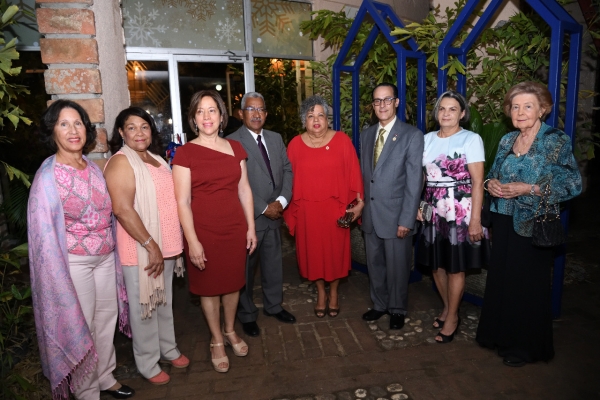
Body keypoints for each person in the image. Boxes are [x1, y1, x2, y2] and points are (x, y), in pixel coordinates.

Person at [27, 100, 134, 399]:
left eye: (78, 123)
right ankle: (86, 391)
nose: (73, 130)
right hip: (75, 263)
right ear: (52, 131)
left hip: (104, 258)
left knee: (105, 320)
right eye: (64, 124)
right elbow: (42, 235)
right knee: (82, 326)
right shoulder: (48, 177)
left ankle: (105, 377)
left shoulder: (93, 168)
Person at [475, 81, 582, 367]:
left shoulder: (555, 140)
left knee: (526, 286)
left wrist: (529, 189)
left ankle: (523, 347)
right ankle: (497, 335)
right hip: (503, 220)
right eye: (515, 107)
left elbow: (573, 184)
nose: (520, 112)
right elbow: (492, 174)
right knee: (501, 279)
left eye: (528, 106)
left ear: (542, 110)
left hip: (533, 222)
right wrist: (491, 184)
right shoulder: (508, 139)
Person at [172, 90, 257, 373]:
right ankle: (217, 339)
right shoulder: (185, 153)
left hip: (234, 229)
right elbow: (182, 201)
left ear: (222, 116)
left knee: (233, 283)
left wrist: (251, 228)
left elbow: (244, 189)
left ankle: (231, 329)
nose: (207, 117)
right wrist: (192, 242)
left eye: (212, 110)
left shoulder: (235, 148)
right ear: (193, 118)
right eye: (201, 111)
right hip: (203, 231)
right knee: (209, 288)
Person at [104, 107, 189, 385]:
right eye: (131, 127)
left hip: (165, 247)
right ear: (121, 132)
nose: (139, 133)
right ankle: (148, 362)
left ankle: (168, 348)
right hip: (141, 248)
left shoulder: (155, 159)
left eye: (144, 126)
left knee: (163, 302)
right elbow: (122, 210)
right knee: (145, 307)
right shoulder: (120, 162)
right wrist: (151, 245)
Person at [416, 91, 490, 343]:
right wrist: (419, 204)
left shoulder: (471, 139)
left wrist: (476, 220)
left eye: (452, 109)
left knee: (455, 265)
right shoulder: (425, 139)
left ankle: (452, 317)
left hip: (460, 206)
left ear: (462, 113)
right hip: (433, 207)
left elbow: (478, 182)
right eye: (442, 109)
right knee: (436, 264)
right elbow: (422, 177)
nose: (446, 113)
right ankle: (448, 307)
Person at [283, 95, 364, 318]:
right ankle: (320, 293)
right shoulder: (295, 145)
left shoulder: (342, 141)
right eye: (310, 116)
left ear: (327, 118)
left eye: (320, 115)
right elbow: (287, 181)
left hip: (336, 211)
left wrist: (358, 203)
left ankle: (335, 293)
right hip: (308, 213)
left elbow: (354, 174)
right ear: (304, 120)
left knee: (335, 255)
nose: (316, 120)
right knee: (313, 256)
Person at [227, 92, 296, 337]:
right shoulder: (231, 142)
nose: (256, 114)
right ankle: (246, 314)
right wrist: (263, 207)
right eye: (250, 109)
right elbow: (235, 181)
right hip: (249, 218)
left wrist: (282, 200)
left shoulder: (276, 139)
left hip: (275, 214)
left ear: (266, 114)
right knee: (246, 269)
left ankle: (274, 306)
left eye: (260, 109)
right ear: (241, 113)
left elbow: (288, 169)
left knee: (273, 264)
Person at [360, 82, 424, 330]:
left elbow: (414, 181)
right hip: (371, 215)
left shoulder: (411, 135)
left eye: (387, 100)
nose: (382, 105)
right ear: (373, 105)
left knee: (398, 266)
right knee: (374, 264)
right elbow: (367, 176)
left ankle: (397, 308)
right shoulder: (366, 135)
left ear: (397, 102)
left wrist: (407, 220)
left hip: (397, 215)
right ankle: (379, 304)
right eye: (377, 101)